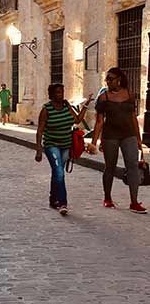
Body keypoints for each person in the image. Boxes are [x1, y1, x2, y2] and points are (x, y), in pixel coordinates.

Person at [87, 67, 146, 213]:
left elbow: (133, 118)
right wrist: (94, 142)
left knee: (132, 166)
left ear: (119, 79)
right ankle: (107, 197)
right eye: (107, 79)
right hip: (110, 136)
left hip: (129, 135)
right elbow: (99, 122)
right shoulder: (103, 98)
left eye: (110, 78)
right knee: (110, 167)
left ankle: (134, 202)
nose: (108, 81)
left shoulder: (129, 95)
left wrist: (138, 140)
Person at [35, 84, 93, 215]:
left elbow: (77, 120)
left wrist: (87, 104)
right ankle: (63, 203)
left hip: (66, 145)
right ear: (51, 94)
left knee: (57, 172)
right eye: (57, 92)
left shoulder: (67, 106)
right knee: (59, 172)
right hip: (51, 145)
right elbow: (39, 131)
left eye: (61, 92)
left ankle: (53, 198)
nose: (60, 94)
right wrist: (39, 149)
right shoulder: (46, 109)